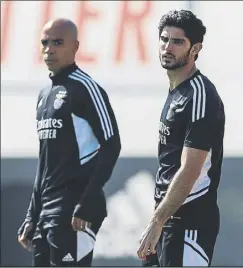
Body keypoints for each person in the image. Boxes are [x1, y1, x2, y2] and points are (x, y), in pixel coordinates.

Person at [17, 18, 121, 267]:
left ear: (75, 46)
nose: (49, 49)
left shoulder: (85, 87)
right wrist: (32, 214)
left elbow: (112, 144)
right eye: (44, 42)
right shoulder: (44, 95)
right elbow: (45, 162)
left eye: (57, 42)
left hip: (75, 211)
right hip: (46, 214)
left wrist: (86, 203)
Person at [137, 10, 225, 267]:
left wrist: (156, 222)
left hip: (191, 222)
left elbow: (190, 169)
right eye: (164, 39)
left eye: (178, 42)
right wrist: (158, 219)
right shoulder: (176, 92)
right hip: (166, 220)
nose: (167, 47)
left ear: (195, 48)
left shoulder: (200, 95)